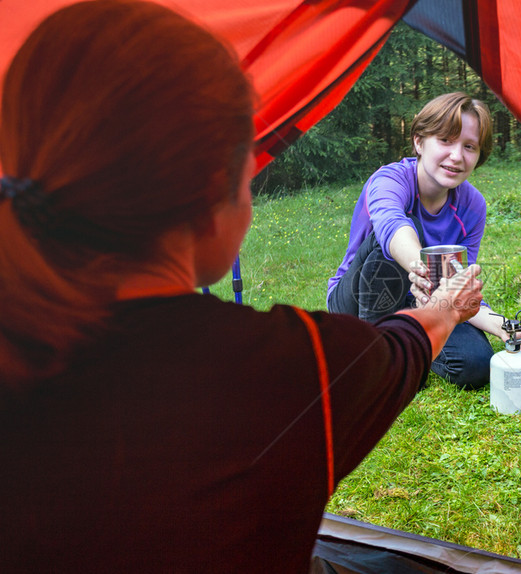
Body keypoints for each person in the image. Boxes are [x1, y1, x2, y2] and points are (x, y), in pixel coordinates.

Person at [0, 1, 484, 572]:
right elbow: (394, 346)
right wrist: (444, 307)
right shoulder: (290, 366)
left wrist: (493, 323)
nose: (456, 155)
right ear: (217, 191)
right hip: (384, 305)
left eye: (470, 146)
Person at [327, 92, 521, 389]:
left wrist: (507, 329)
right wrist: (424, 272)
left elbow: (459, 288)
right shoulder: (390, 180)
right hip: (357, 300)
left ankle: (410, 344)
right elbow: (393, 228)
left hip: (422, 303)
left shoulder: (472, 206)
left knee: (476, 364)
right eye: (445, 140)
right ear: (419, 141)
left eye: (469, 146)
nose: (457, 156)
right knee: (402, 235)